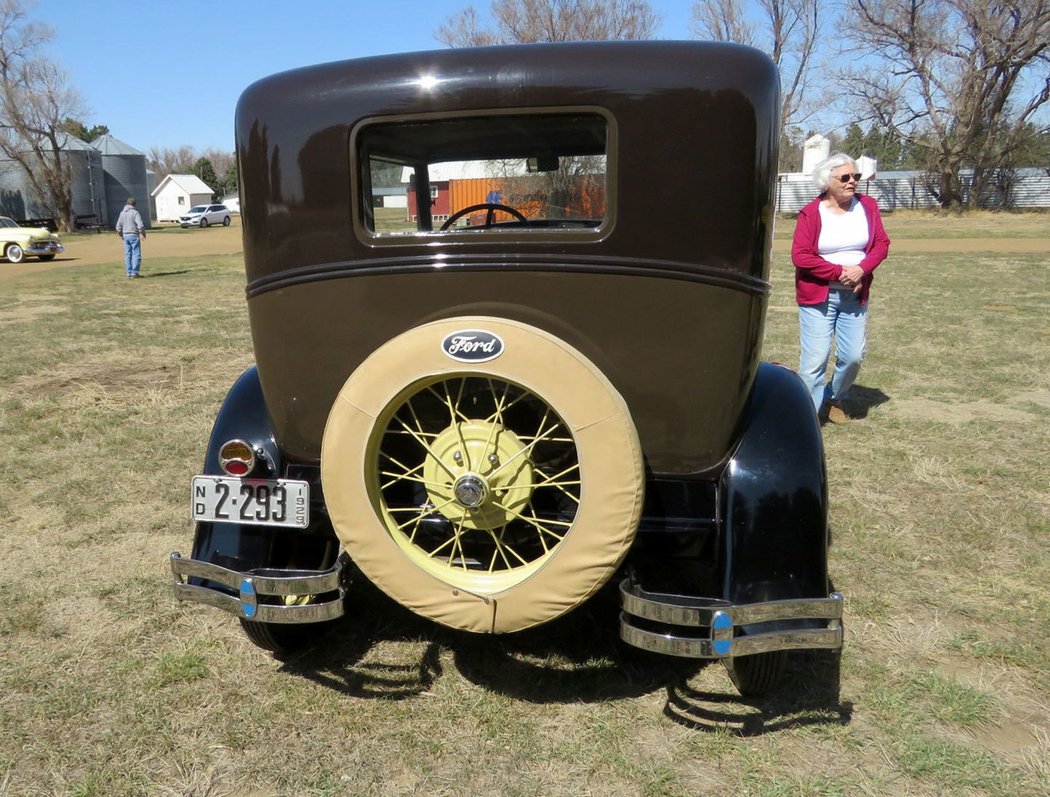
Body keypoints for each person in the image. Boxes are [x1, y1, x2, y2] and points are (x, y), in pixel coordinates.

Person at [791, 153, 890, 423]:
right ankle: (807, 418)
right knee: (814, 362)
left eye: (855, 176)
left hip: (854, 295)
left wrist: (861, 270)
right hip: (818, 297)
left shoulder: (867, 206)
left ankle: (834, 398)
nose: (852, 181)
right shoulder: (811, 213)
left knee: (853, 356)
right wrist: (839, 273)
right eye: (845, 177)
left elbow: (881, 244)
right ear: (827, 180)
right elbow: (801, 256)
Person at [115, 197, 146, 278]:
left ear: (126, 203)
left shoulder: (122, 213)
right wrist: (143, 234)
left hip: (125, 235)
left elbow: (118, 227)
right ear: (134, 204)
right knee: (136, 254)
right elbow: (140, 225)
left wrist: (121, 235)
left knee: (128, 254)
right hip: (134, 235)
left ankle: (129, 273)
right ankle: (134, 273)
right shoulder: (135, 212)